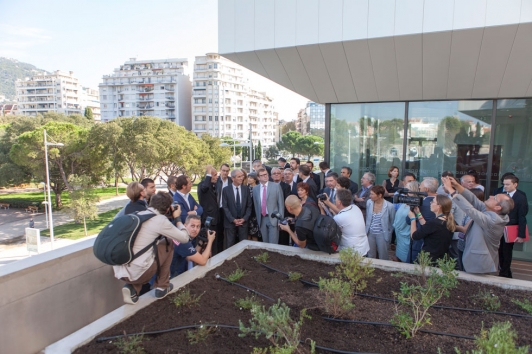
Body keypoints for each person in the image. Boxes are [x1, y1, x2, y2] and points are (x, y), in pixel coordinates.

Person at [114, 192, 189, 304]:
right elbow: (184, 238)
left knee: (146, 251)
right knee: (168, 242)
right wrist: (177, 219)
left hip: (121, 270)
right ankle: (162, 287)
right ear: (168, 208)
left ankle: (132, 288)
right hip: (139, 273)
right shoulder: (160, 221)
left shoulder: (138, 214)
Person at [441, 176, 514, 274]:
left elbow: (469, 209)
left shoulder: (493, 220)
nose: (491, 196)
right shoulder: (492, 212)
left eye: (495, 198)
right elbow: (473, 200)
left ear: (497, 207)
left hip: (480, 264)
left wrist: (450, 189)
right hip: (474, 260)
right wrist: (456, 185)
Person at [408, 195, 455, 263]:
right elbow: (428, 228)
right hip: (441, 259)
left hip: (429, 259)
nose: (430, 203)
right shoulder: (448, 220)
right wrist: (418, 214)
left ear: (439, 206)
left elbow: (414, 236)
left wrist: (412, 219)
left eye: (433, 201)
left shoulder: (434, 223)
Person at [499, 175, 528, 278]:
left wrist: (521, 235)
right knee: (499, 250)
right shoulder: (501, 194)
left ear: (515, 184)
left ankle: (505, 273)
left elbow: (522, 216)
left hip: (511, 228)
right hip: (499, 227)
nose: (505, 186)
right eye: (504, 184)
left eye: (508, 184)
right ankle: (504, 271)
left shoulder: (520, 197)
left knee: (506, 251)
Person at [332, 189, 369, 256]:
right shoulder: (355, 208)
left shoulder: (339, 218)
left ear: (339, 202)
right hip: (363, 248)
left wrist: (322, 209)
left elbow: (331, 229)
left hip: (351, 252)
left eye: (336, 198)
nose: (334, 200)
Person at [222, 169, 252, 248]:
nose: (242, 178)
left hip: (243, 223)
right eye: (239, 176)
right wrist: (233, 220)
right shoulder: (225, 190)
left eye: (242, 176)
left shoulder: (246, 189)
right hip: (230, 223)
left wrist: (244, 218)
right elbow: (225, 207)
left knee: (243, 246)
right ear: (233, 178)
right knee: (229, 245)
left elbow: (249, 206)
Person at [253, 168, 285, 244]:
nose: (265, 176)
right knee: (265, 243)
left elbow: (281, 204)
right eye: (262, 175)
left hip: (273, 218)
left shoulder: (276, 186)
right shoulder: (255, 189)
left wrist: (280, 220)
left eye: (266, 174)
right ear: (258, 177)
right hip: (262, 219)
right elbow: (256, 205)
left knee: (273, 243)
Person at [393, 181, 421, 262]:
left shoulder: (415, 205)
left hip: (407, 235)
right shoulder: (404, 202)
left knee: (406, 257)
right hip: (399, 236)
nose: (404, 190)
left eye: (407, 188)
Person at [365, 185, 395, 260]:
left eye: (372, 194)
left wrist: (388, 233)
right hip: (370, 233)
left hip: (382, 234)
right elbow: (368, 218)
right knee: (370, 255)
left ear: (379, 195)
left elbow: (392, 222)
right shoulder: (369, 203)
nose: (370, 196)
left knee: (383, 255)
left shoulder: (389, 206)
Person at [215, 163, 232, 254]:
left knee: (229, 231)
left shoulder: (231, 181)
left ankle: (228, 251)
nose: (225, 172)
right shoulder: (216, 181)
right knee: (219, 231)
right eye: (223, 170)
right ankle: (219, 251)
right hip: (219, 209)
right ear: (220, 170)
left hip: (228, 210)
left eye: (227, 171)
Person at [272, 167, 291, 245]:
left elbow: (286, 202)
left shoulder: (286, 186)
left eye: (278, 173)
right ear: (271, 175)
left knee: (283, 239)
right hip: (271, 216)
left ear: (281, 175)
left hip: (282, 215)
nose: (276, 175)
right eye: (274, 173)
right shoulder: (268, 185)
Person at [198, 165, 219, 230]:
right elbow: (205, 187)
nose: (217, 177)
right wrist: (209, 173)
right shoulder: (202, 185)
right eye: (215, 175)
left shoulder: (215, 185)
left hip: (216, 219)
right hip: (208, 218)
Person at [246, 173, 261, 241]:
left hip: (255, 214)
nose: (248, 179)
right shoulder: (246, 188)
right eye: (248, 177)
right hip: (247, 214)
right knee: (248, 235)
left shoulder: (259, 188)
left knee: (255, 235)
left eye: (251, 178)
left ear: (255, 179)